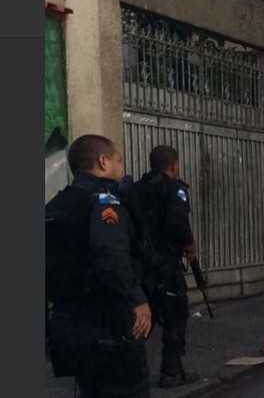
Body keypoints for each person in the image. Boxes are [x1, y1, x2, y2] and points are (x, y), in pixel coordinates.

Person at [46, 134, 152, 398]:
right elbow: (109, 256)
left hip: (68, 325)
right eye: (119, 160)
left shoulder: (55, 206)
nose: (122, 168)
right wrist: (137, 300)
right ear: (103, 162)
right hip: (106, 323)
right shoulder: (105, 199)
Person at [126, 145, 200, 388]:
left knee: (143, 320)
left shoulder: (134, 191)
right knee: (175, 318)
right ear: (173, 166)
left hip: (141, 268)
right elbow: (177, 221)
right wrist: (189, 243)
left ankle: (131, 373)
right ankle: (171, 372)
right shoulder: (175, 189)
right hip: (166, 267)